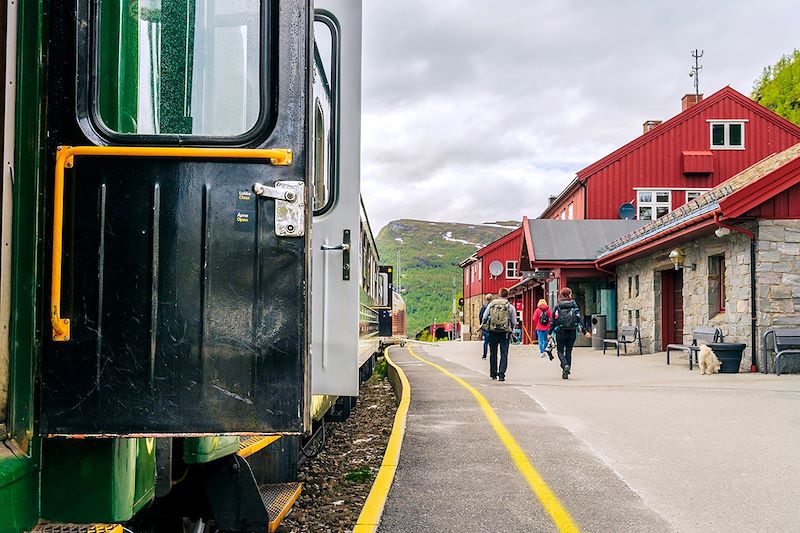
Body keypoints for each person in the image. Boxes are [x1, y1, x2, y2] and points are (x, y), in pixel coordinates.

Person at [547, 287, 585, 380]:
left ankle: (564, 365)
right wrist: (584, 330)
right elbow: (578, 317)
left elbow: (553, 320)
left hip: (560, 331)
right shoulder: (574, 305)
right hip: (572, 331)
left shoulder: (558, 306)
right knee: (569, 351)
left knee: (560, 351)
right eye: (570, 293)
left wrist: (550, 332)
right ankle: (567, 370)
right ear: (568, 294)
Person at [481, 288, 516, 381]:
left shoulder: (492, 304)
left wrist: (485, 326)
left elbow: (484, 316)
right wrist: (511, 328)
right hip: (505, 332)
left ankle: (493, 373)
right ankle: (501, 374)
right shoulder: (510, 306)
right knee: (504, 353)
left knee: (493, 352)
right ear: (507, 295)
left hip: (493, 331)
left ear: (499, 294)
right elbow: (514, 321)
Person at [477, 294, 494, 359]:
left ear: (486, 299)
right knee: (492, 342)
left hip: (485, 327)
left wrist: (481, 325)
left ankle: (484, 355)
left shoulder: (484, 307)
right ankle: (493, 355)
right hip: (493, 326)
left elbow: (481, 317)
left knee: (486, 342)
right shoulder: (493, 306)